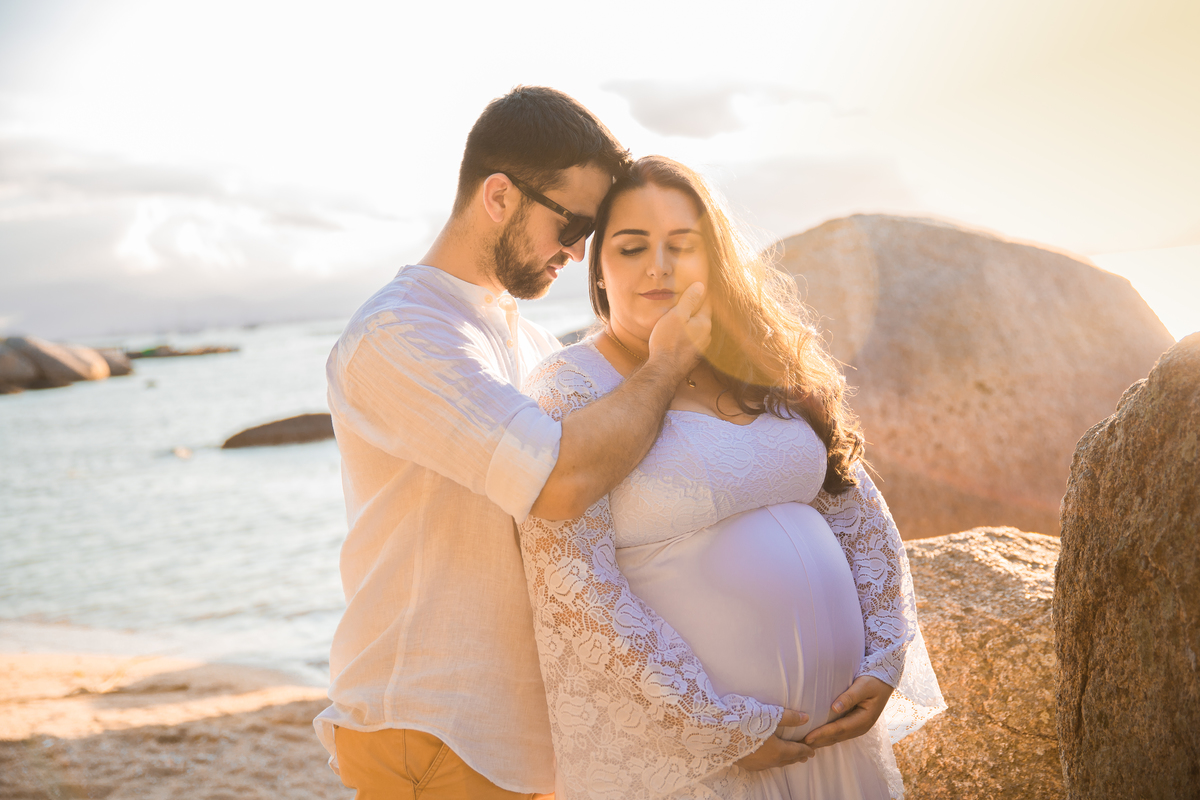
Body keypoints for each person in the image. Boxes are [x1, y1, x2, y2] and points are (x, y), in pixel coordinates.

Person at [315, 88, 819, 800]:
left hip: (524, 738)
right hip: (438, 731)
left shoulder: (528, 340)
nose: (579, 250)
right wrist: (668, 362)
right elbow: (559, 485)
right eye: (572, 223)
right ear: (499, 196)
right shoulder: (403, 335)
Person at [518, 156, 946, 799]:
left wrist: (884, 656)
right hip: (707, 764)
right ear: (599, 268)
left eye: (680, 247)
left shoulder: (762, 364)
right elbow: (574, 587)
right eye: (632, 248)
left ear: (713, 259)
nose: (657, 267)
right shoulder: (571, 389)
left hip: (838, 745)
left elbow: (860, 516)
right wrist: (709, 726)